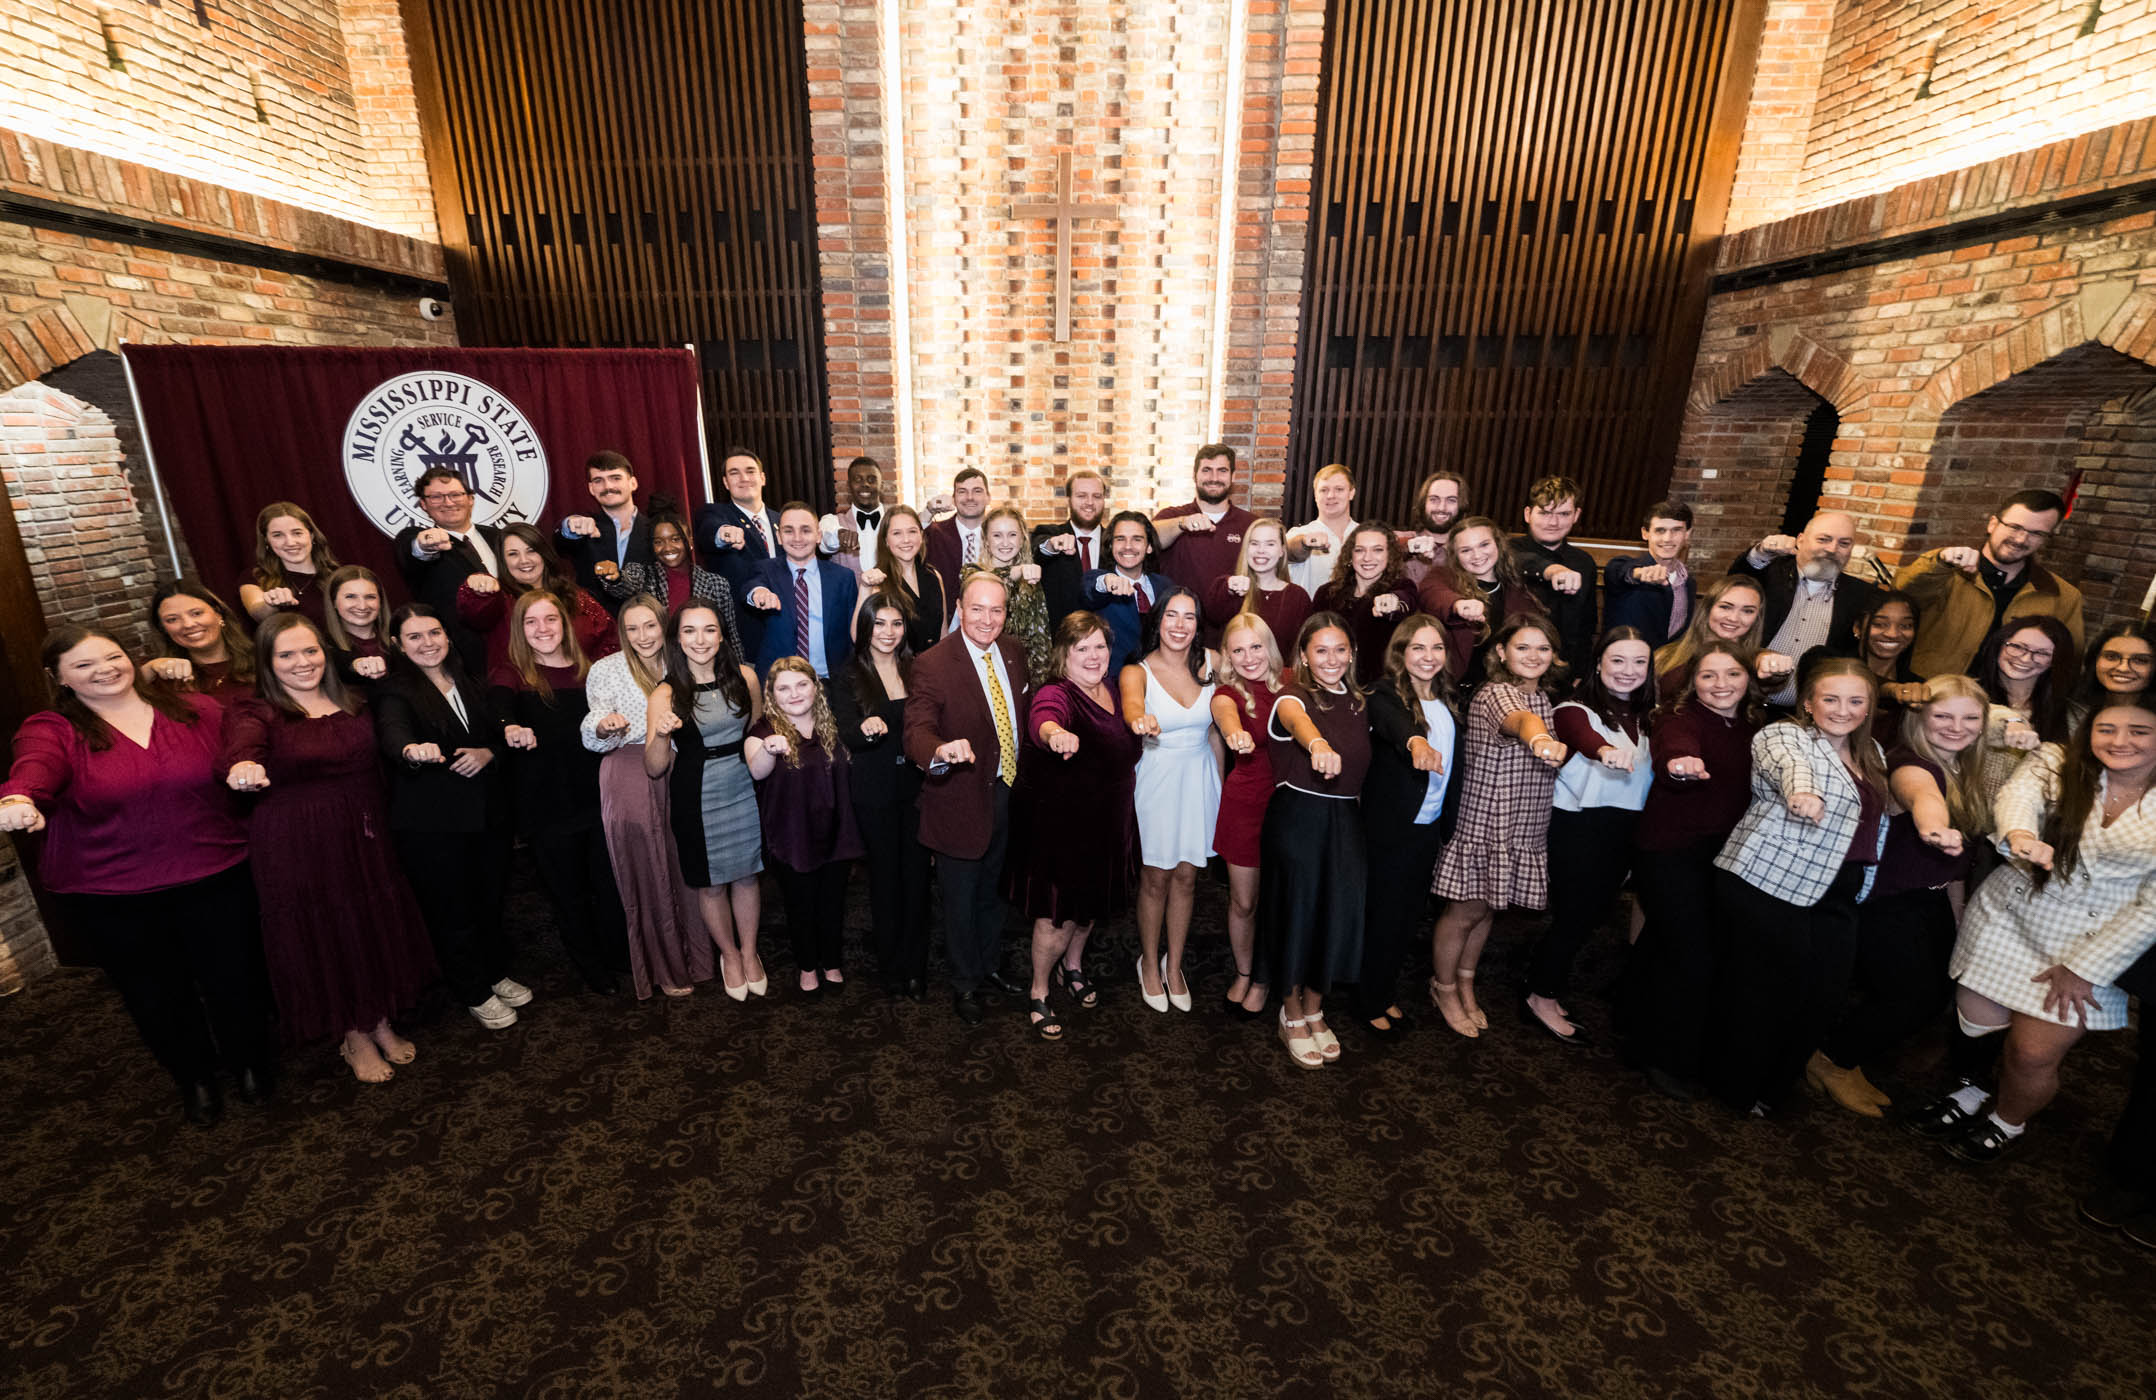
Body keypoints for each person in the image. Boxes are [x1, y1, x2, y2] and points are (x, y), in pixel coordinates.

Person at [0, 626, 276, 1125]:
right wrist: (19, 796)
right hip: (113, 892)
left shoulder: (193, 709)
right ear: (58, 678)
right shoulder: (52, 726)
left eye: (112, 656)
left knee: (234, 978)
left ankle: (250, 1063)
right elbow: (34, 765)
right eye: (83, 665)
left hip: (214, 871)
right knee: (154, 992)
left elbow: (241, 747)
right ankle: (193, 1076)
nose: (104, 669)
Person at [1920, 701, 2156, 1164]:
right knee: (1975, 1024)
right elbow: (2017, 797)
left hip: (2090, 943)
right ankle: (1971, 1091)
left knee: (2030, 1055)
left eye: (2139, 731)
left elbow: (2152, 907)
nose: (2120, 740)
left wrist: (2084, 970)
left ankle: (2007, 1121)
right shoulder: (2056, 759)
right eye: (2106, 728)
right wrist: (2022, 835)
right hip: (2011, 916)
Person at [221, 613, 436, 1084]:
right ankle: (351, 1033)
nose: (303, 662)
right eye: (287, 654)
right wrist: (243, 767)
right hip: (298, 841)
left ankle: (377, 1017)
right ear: (267, 662)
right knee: (328, 929)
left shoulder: (354, 699)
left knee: (368, 921)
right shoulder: (255, 710)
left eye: (311, 650)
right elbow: (242, 750)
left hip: (364, 832)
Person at [1704, 658, 1889, 1114]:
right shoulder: (1783, 736)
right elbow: (1789, 766)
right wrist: (1802, 792)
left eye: (1854, 701)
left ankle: (1774, 1086)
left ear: (1868, 709)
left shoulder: (1875, 756)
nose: (1841, 710)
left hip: (1839, 890)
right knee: (1766, 992)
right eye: (1830, 698)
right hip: (1769, 881)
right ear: (1809, 703)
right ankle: (1739, 1089)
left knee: (1822, 996)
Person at [1808, 676, 1989, 1116]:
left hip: (1931, 899)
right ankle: (1830, 1060)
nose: (1955, 727)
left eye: (1970, 717)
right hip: (1889, 899)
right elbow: (1923, 798)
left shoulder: (1965, 767)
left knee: (1936, 991)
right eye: (1942, 716)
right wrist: (1934, 826)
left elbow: (1954, 866)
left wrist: (1960, 914)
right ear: (1920, 718)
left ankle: (1839, 1055)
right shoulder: (1911, 764)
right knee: (1914, 996)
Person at [1621, 645, 1764, 1100]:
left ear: (1749, 678)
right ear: (1692, 684)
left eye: (1732, 673)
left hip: (1715, 854)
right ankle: (1665, 1057)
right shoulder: (1679, 717)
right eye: (1708, 676)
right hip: (1668, 850)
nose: (1721, 684)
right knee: (1693, 954)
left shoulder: (1753, 725)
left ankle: (1630, 1024)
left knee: (1664, 940)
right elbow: (1674, 749)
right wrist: (1680, 765)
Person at [374, 605, 528, 1027]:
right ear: (397, 645)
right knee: (453, 913)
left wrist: (489, 753)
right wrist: (411, 750)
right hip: (433, 827)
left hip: (486, 819)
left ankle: (494, 972)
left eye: (434, 632)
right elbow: (393, 735)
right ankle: (473, 990)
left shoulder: (468, 680)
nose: (428, 643)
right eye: (415, 637)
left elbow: (497, 739)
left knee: (489, 902)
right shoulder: (394, 690)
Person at [1428, 616, 1568, 1039]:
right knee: (1465, 910)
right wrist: (1541, 741)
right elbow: (1520, 722)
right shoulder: (1496, 694)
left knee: (1491, 904)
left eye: (1542, 648)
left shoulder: (1542, 696)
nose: (1533, 656)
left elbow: (1533, 715)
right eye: (1522, 647)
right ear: (1501, 653)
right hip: (1488, 819)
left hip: (1523, 821)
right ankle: (1444, 987)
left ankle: (1467, 982)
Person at [1006, 610, 1142, 1038]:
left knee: (1091, 908)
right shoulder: (1057, 692)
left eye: (1099, 646)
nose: (1093, 655)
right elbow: (1042, 718)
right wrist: (1053, 734)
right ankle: (1040, 990)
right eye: (1081, 648)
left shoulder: (1114, 691)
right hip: (1065, 829)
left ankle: (1074, 966)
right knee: (1058, 916)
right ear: (1063, 654)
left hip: (1110, 821)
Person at [904, 572, 1032, 1025]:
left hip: (1006, 794)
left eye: (996, 610)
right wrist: (938, 750)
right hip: (957, 800)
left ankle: (989, 965)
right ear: (959, 608)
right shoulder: (933, 663)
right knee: (960, 899)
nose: (987, 619)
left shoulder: (1014, 653)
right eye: (977, 608)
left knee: (995, 891)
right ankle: (964, 984)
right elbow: (917, 729)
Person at [490, 591, 629, 996]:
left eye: (550, 619)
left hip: (596, 796)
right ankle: (592, 968)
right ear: (520, 629)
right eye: (531, 622)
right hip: (546, 806)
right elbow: (499, 710)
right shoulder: (512, 673)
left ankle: (619, 955)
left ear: (564, 624)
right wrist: (508, 727)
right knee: (569, 895)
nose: (542, 629)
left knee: (608, 884)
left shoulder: (591, 671)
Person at [1525, 627, 1655, 1045]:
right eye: (1618, 660)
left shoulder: (1651, 713)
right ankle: (1540, 995)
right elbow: (1583, 738)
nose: (1628, 670)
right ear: (1599, 663)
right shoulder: (1573, 708)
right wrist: (1604, 751)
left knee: (1593, 916)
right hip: (1580, 824)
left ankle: (1548, 984)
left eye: (1639, 662)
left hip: (1626, 827)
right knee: (1575, 915)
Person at [580, 595, 713, 999]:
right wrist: (605, 726)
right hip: (629, 769)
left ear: (664, 625)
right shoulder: (606, 669)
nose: (642, 636)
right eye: (632, 628)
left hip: (683, 768)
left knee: (688, 862)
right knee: (650, 870)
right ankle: (667, 968)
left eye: (650, 626)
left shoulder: (684, 660)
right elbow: (592, 725)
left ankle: (703, 960)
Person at [1256, 614, 1372, 1069]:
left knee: (1336, 914)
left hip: (1346, 821)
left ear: (1352, 654)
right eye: (1320, 650)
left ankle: (1316, 1007)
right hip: (1298, 821)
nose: (1331, 659)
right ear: (1302, 655)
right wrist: (1318, 745)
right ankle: (1289, 1012)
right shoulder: (1292, 696)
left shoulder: (1362, 702)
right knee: (1296, 914)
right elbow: (1296, 720)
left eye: (1340, 649)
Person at [644, 599, 770, 1000]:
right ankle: (729, 955)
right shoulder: (664, 694)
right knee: (712, 884)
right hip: (696, 793)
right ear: (676, 639)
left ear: (722, 635)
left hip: (744, 784)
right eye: (689, 631)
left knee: (748, 874)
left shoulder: (746, 677)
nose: (700, 640)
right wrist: (662, 735)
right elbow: (654, 768)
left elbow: (756, 730)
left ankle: (750, 953)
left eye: (709, 630)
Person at [1358, 614, 1462, 1038]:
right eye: (1418, 648)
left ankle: (1383, 991)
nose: (1429, 656)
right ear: (1401, 653)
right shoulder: (1383, 693)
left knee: (1406, 918)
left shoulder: (1450, 699)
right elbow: (1393, 725)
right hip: (1390, 828)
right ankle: (1367, 1000)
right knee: (1382, 916)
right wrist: (1416, 742)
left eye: (1436, 647)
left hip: (1428, 826)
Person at [1121, 586, 1221, 1013]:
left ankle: (1174, 963)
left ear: (1198, 624)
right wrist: (1139, 719)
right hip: (1157, 779)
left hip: (1201, 777)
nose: (1180, 626)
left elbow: (1217, 730)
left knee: (1187, 876)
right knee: (1156, 878)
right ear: (1157, 621)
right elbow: (1131, 708)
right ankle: (1148, 961)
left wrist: (1223, 787)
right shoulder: (1137, 670)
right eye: (1172, 616)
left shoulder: (1212, 663)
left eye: (1189, 617)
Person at [831, 601, 932, 997]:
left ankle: (916, 967)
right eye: (880, 624)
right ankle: (891, 966)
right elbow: (846, 731)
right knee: (886, 879)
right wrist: (864, 727)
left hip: (918, 787)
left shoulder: (919, 668)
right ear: (866, 628)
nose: (888, 632)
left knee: (918, 879)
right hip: (874, 788)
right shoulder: (848, 673)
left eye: (897, 623)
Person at [748, 658, 865, 997]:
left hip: (836, 831)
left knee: (833, 902)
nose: (794, 694)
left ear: (816, 687)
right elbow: (756, 769)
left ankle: (831, 962)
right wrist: (771, 750)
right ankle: (807, 965)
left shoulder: (835, 725)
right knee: (801, 906)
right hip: (792, 836)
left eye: (801, 685)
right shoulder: (764, 731)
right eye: (784, 688)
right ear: (772, 694)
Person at [1895, 488, 2086, 678]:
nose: (2021, 539)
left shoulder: (2064, 596)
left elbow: (2068, 662)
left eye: (2036, 533)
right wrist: (1940, 563)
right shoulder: (1944, 568)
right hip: (1927, 691)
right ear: (1993, 524)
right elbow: (1901, 595)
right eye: (2015, 527)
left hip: (2005, 704)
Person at [1209, 612, 1284, 1018]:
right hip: (1245, 807)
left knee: (1282, 900)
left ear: (1269, 646)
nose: (1249, 656)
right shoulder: (1227, 694)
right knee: (1243, 902)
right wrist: (1235, 733)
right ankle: (1243, 970)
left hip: (1289, 808)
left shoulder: (1291, 682)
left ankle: (1268, 976)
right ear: (1227, 656)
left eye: (1256, 646)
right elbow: (1226, 717)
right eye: (1238, 650)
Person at [1729, 511, 1880, 707]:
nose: (1832, 549)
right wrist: (1762, 551)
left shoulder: (1861, 595)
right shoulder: (1770, 574)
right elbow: (1735, 579)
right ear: (1800, 540)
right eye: (1824, 539)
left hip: (1802, 716)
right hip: (1740, 702)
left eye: (1844, 543)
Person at [459, 522, 618, 676]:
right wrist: (478, 589)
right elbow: (475, 612)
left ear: (544, 553)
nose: (524, 560)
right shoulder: (497, 599)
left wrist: (599, 679)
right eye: (513, 554)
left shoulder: (574, 595)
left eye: (531, 550)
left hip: (580, 691)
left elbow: (610, 640)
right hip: (521, 696)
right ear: (502, 560)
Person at [394, 466, 505, 676]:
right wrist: (425, 543)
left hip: (516, 648)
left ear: (471, 499)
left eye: (455, 494)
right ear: (423, 504)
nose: (448, 502)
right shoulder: (417, 538)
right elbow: (414, 549)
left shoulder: (499, 537)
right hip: (466, 662)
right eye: (436, 497)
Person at [1416, 516, 1543, 685]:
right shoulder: (1443, 577)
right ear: (1455, 555)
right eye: (1465, 550)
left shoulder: (1517, 586)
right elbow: (1432, 593)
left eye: (1484, 545)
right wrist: (1458, 605)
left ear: (1498, 544)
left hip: (1508, 685)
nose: (1477, 555)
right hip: (1456, 687)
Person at [1969, 616, 2077, 808]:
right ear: (2000, 645)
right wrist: (2010, 719)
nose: (2026, 658)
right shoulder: (1966, 693)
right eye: (2017, 647)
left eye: (2042, 653)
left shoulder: (2071, 715)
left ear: (2055, 661)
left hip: (2020, 824)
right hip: (1958, 815)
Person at [599, 499, 743, 644]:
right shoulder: (643, 575)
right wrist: (616, 578)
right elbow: (625, 584)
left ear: (690, 541)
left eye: (675, 539)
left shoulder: (716, 584)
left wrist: (738, 666)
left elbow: (730, 637)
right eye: (658, 542)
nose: (667, 548)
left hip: (703, 660)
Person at [745, 502, 859, 678]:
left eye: (806, 530)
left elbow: (854, 632)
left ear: (818, 536)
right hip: (780, 684)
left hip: (832, 681)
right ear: (779, 537)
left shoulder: (843, 577)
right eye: (789, 531)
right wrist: (758, 592)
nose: (797, 538)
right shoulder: (766, 570)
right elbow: (751, 586)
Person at [1650, 575, 1789, 703]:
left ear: (1756, 618)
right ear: (1708, 608)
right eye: (1725, 607)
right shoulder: (1665, 655)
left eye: (1747, 611)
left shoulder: (1757, 661)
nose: (1733, 618)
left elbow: (1772, 676)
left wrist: (1776, 667)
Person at [1511, 476, 1598, 676]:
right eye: (1544, 513)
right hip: (1512, 669)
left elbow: (1587, 627)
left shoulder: (1584, 563)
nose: (1553, 522)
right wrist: (1552, 570)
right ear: (1528, 514)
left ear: (1576, 515)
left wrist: (1580, 674)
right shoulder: (1506, 551)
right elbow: (1518, 560)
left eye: (1564, 513)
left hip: (1564, 673)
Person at [1313, 523, 1419, 686]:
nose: (1367, 558)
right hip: (1331, 687)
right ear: (1350, 556)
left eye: (1377, 550)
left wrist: (1393, 602)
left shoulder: (1403, 587)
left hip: (1380, 691)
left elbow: (1405, 601)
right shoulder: (1326, 594)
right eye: (1360, 550)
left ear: (1390, 556)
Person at [1152, 443, 1258, 594]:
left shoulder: (1250, 524)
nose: (1214, 478)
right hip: (1180, 616)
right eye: (1207, 470)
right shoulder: (1172, 516)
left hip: (1232, 617)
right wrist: (1182, 524)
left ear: (1233, 476)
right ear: (1194, 475)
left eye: (1222, 471)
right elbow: (1149, 537)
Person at [556, 450, 656, 603]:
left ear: (633, 483)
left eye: (615, 478)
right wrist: (569, 526)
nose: (607, 486)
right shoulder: (583, 527)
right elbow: (560, 545)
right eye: (598, 481)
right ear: (591, 488)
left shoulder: (656, 529)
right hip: (597, 624)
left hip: (647, 621)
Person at [1081, 511, 1171, 675]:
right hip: (1114, 684)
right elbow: (1090, 588)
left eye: (1137, 539)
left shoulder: (1165, 585)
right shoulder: (1100, 581)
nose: (1128, 546)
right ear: (1110, 546)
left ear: (1149, 547)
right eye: (1120, 539)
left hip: (1160, 681)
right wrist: (1107, 581)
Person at [693, 445, 782, 611]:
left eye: (750, 471)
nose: (744, 478)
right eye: (734, 473)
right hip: (742, 625)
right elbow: (708, 530)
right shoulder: (716, 514)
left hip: (787, 620)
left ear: (762, 478)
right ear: (726, 483)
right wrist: (724, 533)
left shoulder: (783, 520)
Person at [1201, 516, 1311, 650]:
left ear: (1282, 550)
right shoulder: (1229, 588)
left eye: (1270, 544)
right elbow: (1212, 616)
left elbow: (1303, 648)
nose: (1260, 550)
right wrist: (1230, 590)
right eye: (1254, 543)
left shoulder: (1298, 597)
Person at [1602, 500, 1697, 648]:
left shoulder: (1688, 583)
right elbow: (1617, 571)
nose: (1667, 538)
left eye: (1676, 530)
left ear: (1687, 534)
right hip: (1628, 666)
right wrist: (1640, 573)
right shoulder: (1627, 568)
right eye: (1660, 530)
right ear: (1645, 533)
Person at [143, 578, 256, 700]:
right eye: (172, 619)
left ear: (218, 614)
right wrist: (149, 670)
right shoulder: (162, 675)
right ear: (163, 629)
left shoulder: (262, 659)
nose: (188, 624)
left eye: (196, 613)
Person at [858, 503, 949, 653]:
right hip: (899, 671)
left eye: (912, 531)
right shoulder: (877, 582)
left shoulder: (934, 576)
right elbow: (859, 637)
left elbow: (943, 634)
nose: (906, 540)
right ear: (886, 540)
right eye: (897, 533)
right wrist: (864, 588)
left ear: (921, 535)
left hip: (934, 667)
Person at [977, 505, 1054, 679]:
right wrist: (1017, 572)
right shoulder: (971, 573)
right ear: (986, 541)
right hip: (987, 672)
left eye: (1012, 535)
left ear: (1022, 540)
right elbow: (989, 581)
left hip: (1025, 675)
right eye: (997, 535)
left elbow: (1040, 639)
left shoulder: (1032, 580)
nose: (1005, 542)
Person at [1837, 590, 1927, 737]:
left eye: (1905, 626)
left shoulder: (1917, 686)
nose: (1892, 634)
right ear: (1857, 628)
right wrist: (1894, 689)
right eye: (1879, 624)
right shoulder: (1829, 663)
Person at [1031, 469, 1111, 625]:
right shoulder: (1050, 534)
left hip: (1108, 640)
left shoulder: (1115, 542)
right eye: (1081, 496)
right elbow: (1038, 548)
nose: (1089, 502)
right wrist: (1052, 545)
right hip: (1061, 640)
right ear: (1068, 500)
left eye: (1097, 496)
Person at [238, 501, 338, 625]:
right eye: (278, 535)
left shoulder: (336, 576)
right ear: (267, 541)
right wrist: (271, 603)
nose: (290, 542)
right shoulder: (254, 576)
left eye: (297, 533)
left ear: (311, 535)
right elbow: (257, 612)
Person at [924, 466, 993, 606]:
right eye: (962, 491)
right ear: (954, 498)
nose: (970, 497)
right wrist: (928, 511)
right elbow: (904, 538)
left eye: (977, 491)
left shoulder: (1000, 536)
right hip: (945, 622)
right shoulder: (934, 534)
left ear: (988, 498)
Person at [1285, 463, 1358, 595]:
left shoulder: (1365, 535)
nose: (1330, 495)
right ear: (1315, 495)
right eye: (1324, 490)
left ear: (1351, 493)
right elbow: (1287, 551)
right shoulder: (1300, 533)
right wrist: (1305, 543)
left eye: (1339, 489)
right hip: (1312, 615)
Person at [2067, 621, 2154, 725]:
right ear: (2095, 660)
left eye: (2140, 660)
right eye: (2111, 657)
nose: (2123, 668)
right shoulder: (2070, 708)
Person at [322, 565, 389, 691]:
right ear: (333, 601)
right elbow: (339, 663)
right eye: (351, 597)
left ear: (380, 601)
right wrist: (358, 665)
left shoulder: (398, 640)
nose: (362, 606)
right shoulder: (323, 648)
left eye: (370, 597)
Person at [820, 456, 887, 574]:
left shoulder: (895, 522)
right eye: (858, 479)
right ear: (848, 486)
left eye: (872, 480)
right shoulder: (832, 521)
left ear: (882, 486)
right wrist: (840, 535)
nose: (865, 484)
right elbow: (825, 541)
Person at [1399, 470, 1467, 583]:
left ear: (1462, 505)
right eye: (1434, 499)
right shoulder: (1400, 544)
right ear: (1423, 503)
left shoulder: (1472, 553)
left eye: (1451, 500)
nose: (1441, 508)